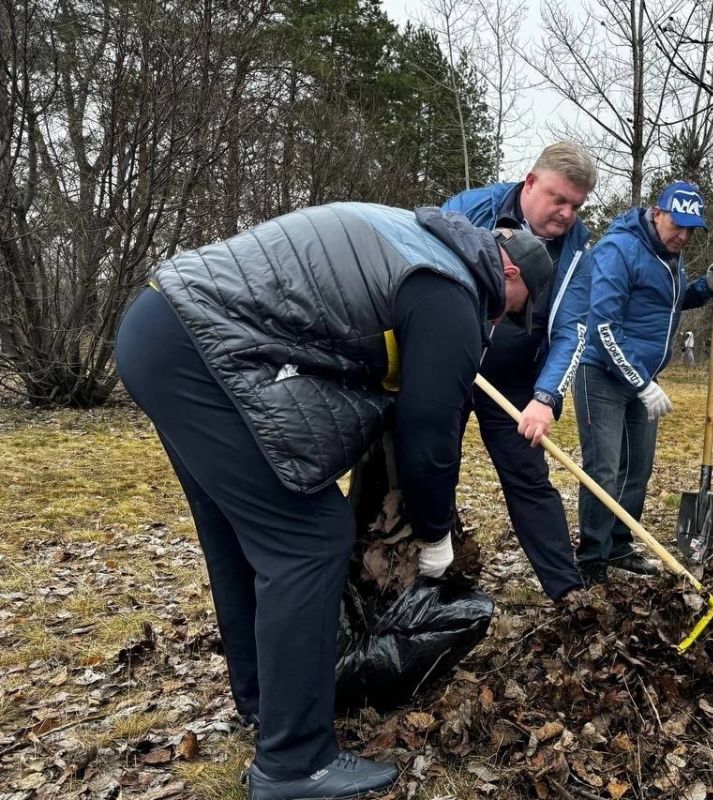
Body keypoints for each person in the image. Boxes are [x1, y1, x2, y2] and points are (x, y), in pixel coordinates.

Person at [115, 204, 553, 800]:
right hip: (199, 347)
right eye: (510, 309)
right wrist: (435, 536)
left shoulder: (418, 239)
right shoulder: (453, 290)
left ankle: (267, 708)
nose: (499, 323)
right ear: (507, 274)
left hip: (161, 326)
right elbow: (431, 434)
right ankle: (293, 764)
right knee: (308, 539)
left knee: (240, 535)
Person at [443, 142, 596, 601]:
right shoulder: (470, 211)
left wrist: (545, 397)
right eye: (558, 199)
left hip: (514, 379)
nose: (567, 213)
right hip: (449, 362)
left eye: (576, 205)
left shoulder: (577, 252)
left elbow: (573, 330)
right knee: (433, 468)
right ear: (530, 182)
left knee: (529, 479)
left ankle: (568, 593)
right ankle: (432, 579)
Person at [574, 181, 713, 585]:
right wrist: (642, 382)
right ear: (657, 212)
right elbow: (604, 327)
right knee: (604, 470)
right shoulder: (619, 250)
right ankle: (592, 559)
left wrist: (704, 286)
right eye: (677, 225)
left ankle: (619, 543)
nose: (683, 236)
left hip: (641, 379)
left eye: (691, 230)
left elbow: (664, 302)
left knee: (638, 469)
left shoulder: (669, 255)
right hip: (601, 375)